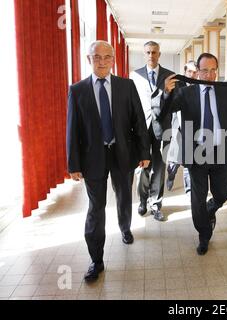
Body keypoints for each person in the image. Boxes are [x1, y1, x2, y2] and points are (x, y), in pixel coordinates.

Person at [66, 41, 150, 282]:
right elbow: (72, 130)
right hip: (92, 157)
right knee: (96, 208)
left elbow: (139, 122)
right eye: (96, 57)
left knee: (124, 195)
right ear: (88, 59)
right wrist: (73, 164)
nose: (102, 61)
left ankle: (125, 227)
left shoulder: (127, 86)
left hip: (123, 153)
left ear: (113, 60)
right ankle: (96, 259)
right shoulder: (78, 90)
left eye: (106, 57)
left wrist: (144, 152)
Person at [162, 53, 227, 255]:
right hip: (196, 153)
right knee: (196, 199)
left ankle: (210, 210)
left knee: (222, 193)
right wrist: (166, 93)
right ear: (197, 72)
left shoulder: (225, 91)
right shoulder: (186, 93)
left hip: (221, 152)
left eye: (213, 69)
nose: (209, 74)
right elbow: (168, 109)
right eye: (205, 70)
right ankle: (204, 234)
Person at [130, 41, 175, 221]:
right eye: (148, 52)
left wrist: (167, 93)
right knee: (142, 166)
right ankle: (142, 200)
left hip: (162, 127)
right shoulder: (135, 75)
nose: (151, 55)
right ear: (144, 54)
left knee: (159, 166)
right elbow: (131, 102)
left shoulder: (169, 75)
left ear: (159, 54)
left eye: (154, 52)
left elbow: (173, 102)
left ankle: (156, 204)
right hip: (141, 126)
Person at [165, 60, 198, 193]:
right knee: (175, 161)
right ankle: (171, 175)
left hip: (192, 128)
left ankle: (189, 190)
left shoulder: (198, 86)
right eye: (189, 71)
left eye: (195, 72)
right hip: (178, 127)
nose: (192, 74)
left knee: (188, 160)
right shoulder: (177, 84)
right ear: (185, 71)